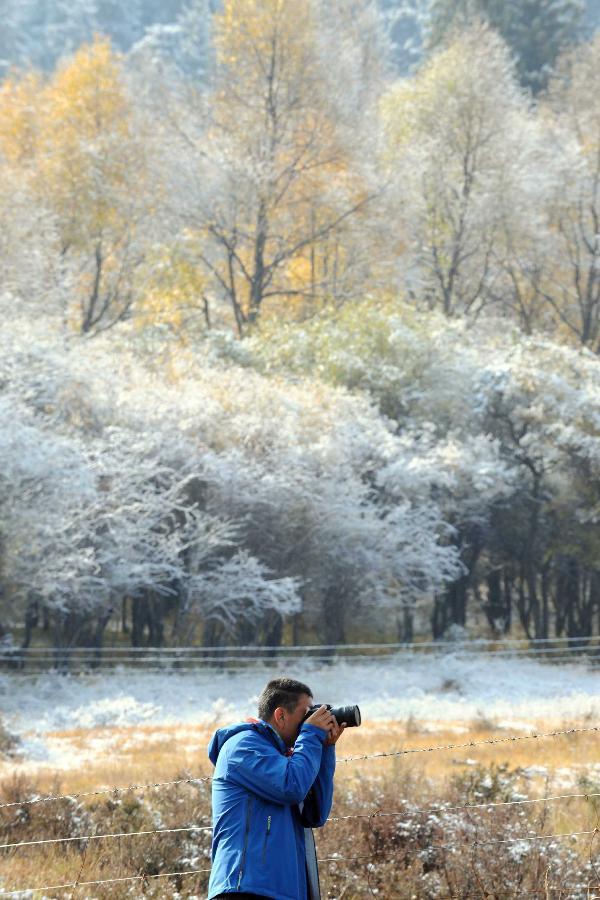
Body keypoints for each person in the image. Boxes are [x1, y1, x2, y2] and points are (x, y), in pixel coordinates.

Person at [207, 677, 346, 900]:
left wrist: (325, 748)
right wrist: (310, 735)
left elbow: (315, 814)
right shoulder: (243, 746)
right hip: (245, 889)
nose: (310, 721)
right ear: (280, 715)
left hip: (282, 890)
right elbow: (291, 787)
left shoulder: (287, 758)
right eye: (306, 714)